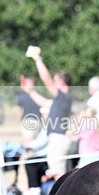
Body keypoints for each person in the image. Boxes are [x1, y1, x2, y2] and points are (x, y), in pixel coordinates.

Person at [25, 46, 74, 180]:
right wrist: (31, 92)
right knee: (58, 173)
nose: (53, 82)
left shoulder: (64, 97)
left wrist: (38, 59)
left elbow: (46, 80)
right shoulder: (61, 99)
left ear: (62, 83)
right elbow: (44, 102)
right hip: (57, 139)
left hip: (58, 139)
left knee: (59, 176)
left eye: (56, 80)